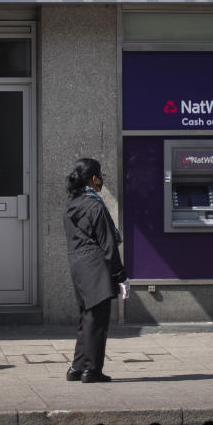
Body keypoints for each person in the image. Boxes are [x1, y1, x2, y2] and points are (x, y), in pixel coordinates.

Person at [63, 158, 129, 384]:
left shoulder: (72, 204)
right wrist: (121, 276)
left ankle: (77, 368)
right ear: (93, 178)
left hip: (77, 265)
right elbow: (108, 243)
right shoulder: (95, 205)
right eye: (100, 175)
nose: (101, 180)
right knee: (98, 320)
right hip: (95, 265)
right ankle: (92, 371)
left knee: (86, 318)